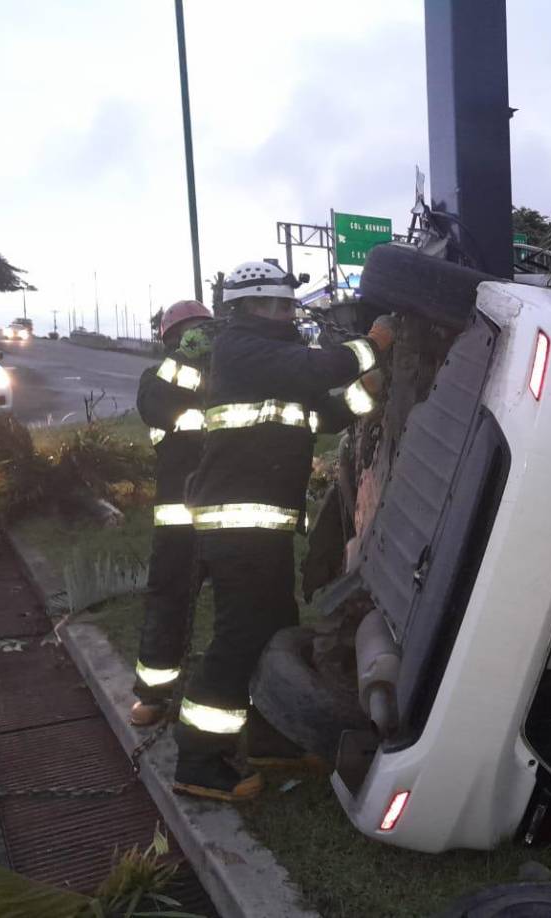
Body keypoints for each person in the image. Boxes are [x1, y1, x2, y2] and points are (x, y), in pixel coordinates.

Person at [172, 260, 393, 802]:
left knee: (273, 629)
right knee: (239, 637)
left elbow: (324, 413)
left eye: (286, 304)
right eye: (274, 304)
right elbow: (317, 370)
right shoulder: (242, 350)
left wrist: (370, 391)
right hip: (235, 527)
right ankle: (199, 761)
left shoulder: (273, 361)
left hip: (262, 528)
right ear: (247, 308)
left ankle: (273, 736)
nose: (285, 312)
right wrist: (373, 346)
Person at [130, 299, 214, 727]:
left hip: (228, 513)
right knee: (169, 601)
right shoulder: (158, 377)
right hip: (180, 518)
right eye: (190, 332)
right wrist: (185, 359)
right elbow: (158, 407)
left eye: (205, 330)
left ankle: (244, 687)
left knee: (242, 607)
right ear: (171, 341)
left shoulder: (230, 374)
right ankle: (154, 694)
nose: (200, 338)